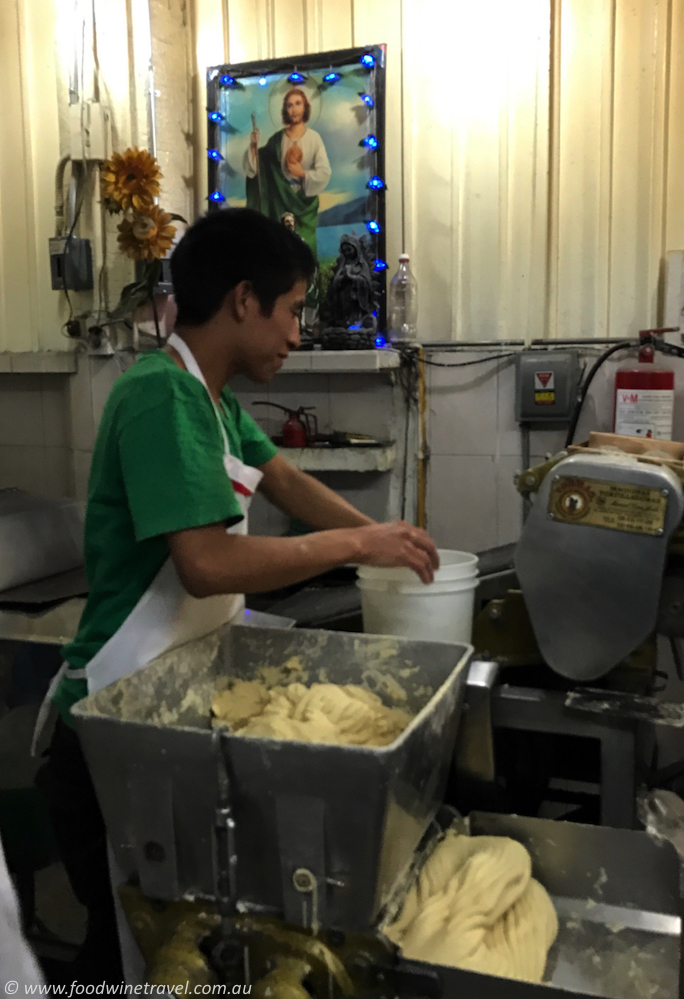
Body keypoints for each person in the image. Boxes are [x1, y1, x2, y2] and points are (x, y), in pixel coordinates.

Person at [37, 208, 439, 981]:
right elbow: (205, 564)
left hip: (167, 713)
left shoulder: (212, 402)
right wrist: (360, 547)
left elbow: (286, 480)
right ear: (244, 299)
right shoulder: (160, 396)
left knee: (179, 947)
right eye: (291, 310)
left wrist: (388, 543)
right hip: (110, 732)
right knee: (134, 956)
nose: (296, 331)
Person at [244, 88, 331, 254]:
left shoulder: (314, 138)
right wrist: (253, 146)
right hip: (279, 202)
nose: (294, 109)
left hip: (304, 203)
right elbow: (259, 167)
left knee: (306, 251)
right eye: (290, 105)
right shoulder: (277, 139)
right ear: (285, 110)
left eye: (298, 104)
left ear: (305, 107)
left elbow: (324, 172)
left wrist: (303, 173)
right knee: (281, 250)